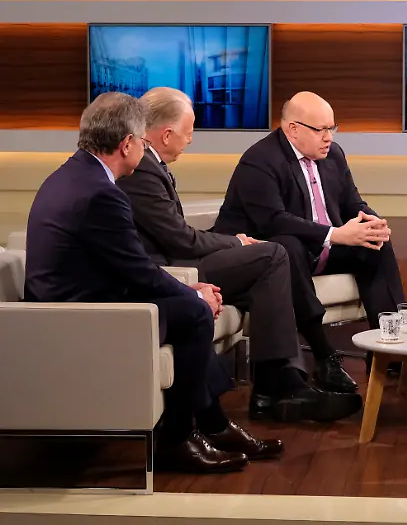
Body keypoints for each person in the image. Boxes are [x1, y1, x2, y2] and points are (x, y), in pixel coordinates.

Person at [24, 92, 280, 473]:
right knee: (194, 315)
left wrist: (189, 291)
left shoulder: (71, 175)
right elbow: (139, 272)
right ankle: (178, 439)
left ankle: (212, 424)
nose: (145, 149)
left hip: (76, 301)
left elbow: (126, 266)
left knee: (188, 307)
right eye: (143, 142)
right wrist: (194, 295)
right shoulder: (101, 194)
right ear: (127, 144)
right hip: (78, 317)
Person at [116, 87, 362, 423]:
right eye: (188, 132)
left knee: (269, 270)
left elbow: (177, 234)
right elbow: (180, 240)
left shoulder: (149, 164)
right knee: (272, 255)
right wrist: (235, 243)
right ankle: (278, 388)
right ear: (167, 134)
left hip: (180, 259)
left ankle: (276, 388)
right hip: (173, 269)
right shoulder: (143, 170)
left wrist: (232, 242)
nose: (191, 140)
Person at [212, 91, 407, 377]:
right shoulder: (260, 161)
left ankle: (390, 352)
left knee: (375, 244)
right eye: (320, 130)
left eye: (332, 128)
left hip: (318, 248)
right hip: (271, 257)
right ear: (293, 129)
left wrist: (371, 222)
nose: (328, 137)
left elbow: (352, 202)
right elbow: (273, 222)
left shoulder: (333, 154)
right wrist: (335, 234)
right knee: (288, 245)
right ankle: (324, 354)